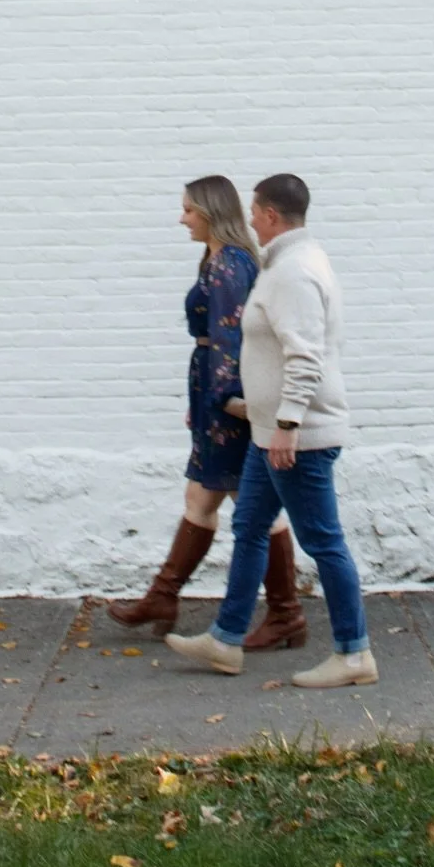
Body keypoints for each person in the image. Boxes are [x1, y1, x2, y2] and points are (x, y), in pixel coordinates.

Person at [166, 173, 377, 689]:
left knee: (323, 542)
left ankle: (354, 654)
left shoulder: (294, 273)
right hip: (269, 431)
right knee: (251, 528)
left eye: (256, 211)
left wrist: (287, 426)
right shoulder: (287, 264)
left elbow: (305, 359)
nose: (251, 220)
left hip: (297, 438)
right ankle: (226, 639)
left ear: (272, 216)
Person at [109, 176, 306, 648]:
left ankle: (286, 614)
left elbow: (231, 338)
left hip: (227, 400)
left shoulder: (227, 267)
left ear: (211, 213)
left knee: (254, 506)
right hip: (214, 393)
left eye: (188, 211)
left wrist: (220, 403)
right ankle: (164, 596)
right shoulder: (222, 261)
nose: (182, 219)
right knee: (201, 499)